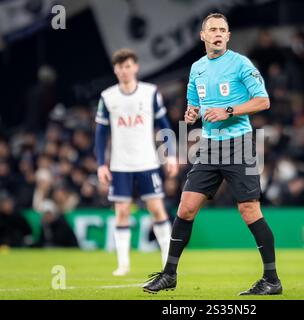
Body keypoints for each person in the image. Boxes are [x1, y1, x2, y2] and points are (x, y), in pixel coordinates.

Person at [143, 13, 282, 295]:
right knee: (185, 208)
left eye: (223, 29)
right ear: (203, 36)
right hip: (208, 146)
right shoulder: (197, 68)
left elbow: (264, 101)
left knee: (249, 210)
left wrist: (229, 110)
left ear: (228, 36)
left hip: (238, 143)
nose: (218, 33)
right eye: (213, 29)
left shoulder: (241, 63)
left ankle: (272, 280)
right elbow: (194, 105)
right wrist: (192, 113)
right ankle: (169, 274)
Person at [95, 48, 178, 276]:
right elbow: (101, 133)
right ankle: (123, 265)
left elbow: (164, 124)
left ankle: (168, 263)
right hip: (120, 165)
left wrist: (170, 154)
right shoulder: (108, 97)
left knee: (156, 209)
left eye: (128, 65)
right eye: (121, 67)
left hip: (147, 162)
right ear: (115, 70)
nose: (125, 70)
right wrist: (102, 164)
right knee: (121, 211)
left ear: (136, 67)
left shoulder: (150, 93)